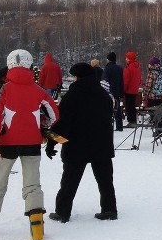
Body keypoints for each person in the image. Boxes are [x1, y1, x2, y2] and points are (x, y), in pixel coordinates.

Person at [0, 49, 59, 240]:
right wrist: (42, 126)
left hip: (6, 144)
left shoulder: (4, 89)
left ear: (10, 64)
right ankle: (37, 227)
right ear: (30, 65)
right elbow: (54, 113)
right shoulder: (39, 90)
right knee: (32, 184)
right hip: (32, 143)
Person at [46, 62, 118, 223]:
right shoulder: (104, 95)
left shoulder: (72, 96)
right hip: (102, 145)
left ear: (78, 77)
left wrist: (51, 143)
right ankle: (109, 209)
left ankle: (63, 212)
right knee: (105, 180)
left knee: (69, 181)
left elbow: (62, 124)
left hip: (77, 146)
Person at [103, 52, 124, 132]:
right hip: (117, 91)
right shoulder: (119, 68)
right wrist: (121, 92)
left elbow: (104, 81)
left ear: (108, 59)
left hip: (109, 92)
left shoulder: (107, 69)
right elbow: (121, 81)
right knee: (117, 109)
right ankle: (119, 126)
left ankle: (107, 126)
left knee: (107, 109)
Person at [122, 51, 142, 127]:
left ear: (128, 58)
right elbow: (140, 79)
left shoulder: (128, 68)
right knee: (133, 105)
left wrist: (123, 89)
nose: (126, 59)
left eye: (126, 57)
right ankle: (134, 120)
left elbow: (125, 80)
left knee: (129, 106)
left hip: (129, 90)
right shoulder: (138, 67)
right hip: (135, 89)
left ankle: (131, 121)